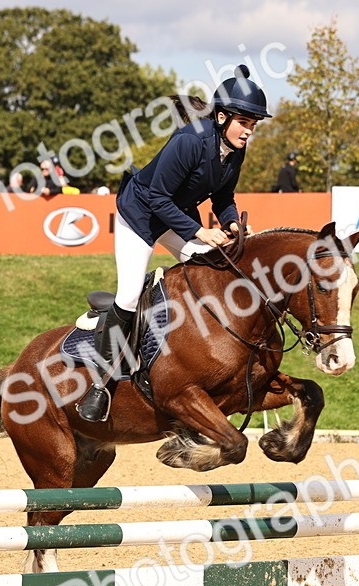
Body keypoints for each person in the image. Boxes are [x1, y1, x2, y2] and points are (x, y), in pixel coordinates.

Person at [76, 64, 269, 423]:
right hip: (140, 214)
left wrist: (230, 222)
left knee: (216, 267)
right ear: (223, 117)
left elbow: (224, 196)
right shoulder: (190, 141)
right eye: (245, 123)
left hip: (173, 215)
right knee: (130, 295)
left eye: (253, 125)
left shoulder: (235, 150)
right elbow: (155, 198)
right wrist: (199, 232)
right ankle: (99, 386)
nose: (249, 132)